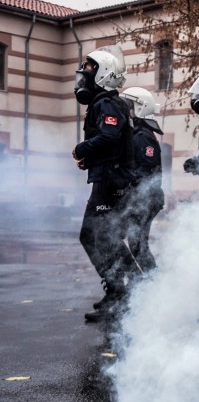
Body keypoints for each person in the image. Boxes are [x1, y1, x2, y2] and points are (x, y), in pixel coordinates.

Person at [71, 46, 137, 323]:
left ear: (103, 75)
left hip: (112, 181)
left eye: (89, 68)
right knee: (100, 235)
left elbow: (110, 137)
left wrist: (82, 148)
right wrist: (91, 160)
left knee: (94, 234)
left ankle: (126, 289)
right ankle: (120, 290)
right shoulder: (104, 103)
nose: (84, 73)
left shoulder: (107, 103)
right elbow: (114, 144)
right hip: (107, 177)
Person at [119, 87, 164, 274]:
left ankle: (154, 283)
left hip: (146, 199)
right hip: (140, 198)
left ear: (140, 108)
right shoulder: (135, 133)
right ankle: (146, 284)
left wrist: (126, 179)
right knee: (135, 243)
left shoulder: (142, 136)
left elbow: (147, 171)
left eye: (129, 106)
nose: (125, 111)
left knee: (137, 244)